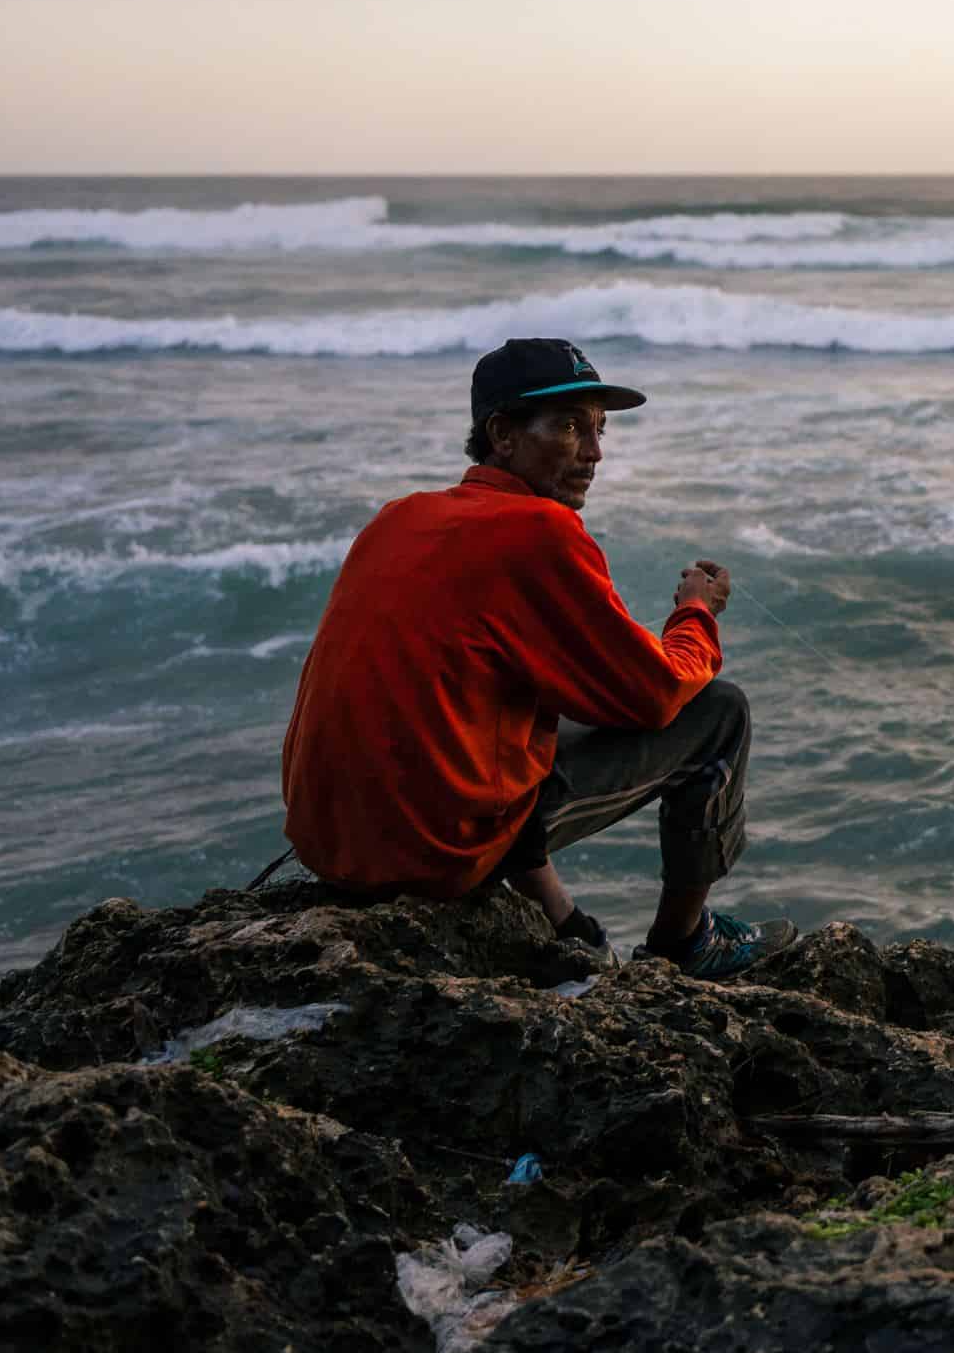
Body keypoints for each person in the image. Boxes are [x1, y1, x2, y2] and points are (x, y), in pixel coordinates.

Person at [279, 337, 796, 977]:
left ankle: (562, 917)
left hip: (329, 842)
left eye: (600, 429)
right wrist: (696, 612)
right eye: (571, 426)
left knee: (523, 703)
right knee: (718, 712)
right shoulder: (539, 530)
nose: (595, 452)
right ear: (501, 433)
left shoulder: (399, 517)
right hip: (432, 850)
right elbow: (656, 691)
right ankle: (686, 943)